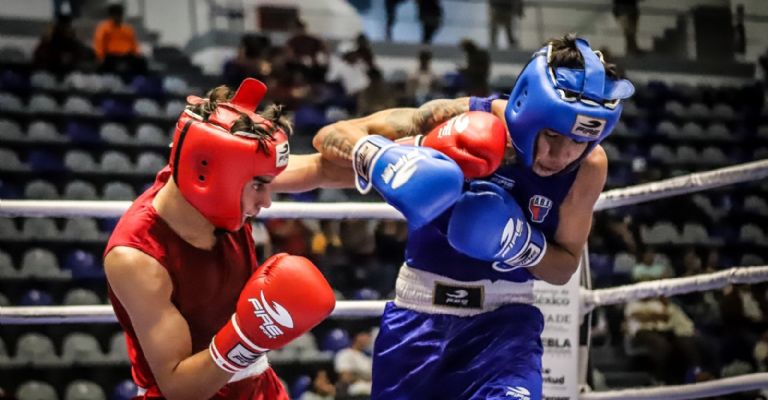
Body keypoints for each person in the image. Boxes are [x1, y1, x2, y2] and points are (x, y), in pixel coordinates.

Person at [313, 34, 634, 398]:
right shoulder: (463, 119)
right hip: (417, 318)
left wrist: (521, 245)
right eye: (553, 137)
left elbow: (563, 268)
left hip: (505, 327)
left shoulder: (589, 166)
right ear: (528, 109)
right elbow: (331, 137)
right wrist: (384, 156)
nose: (562, 155)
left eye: (580, 141)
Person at [104, 78, 354, 399]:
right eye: (259, 186)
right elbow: (179, 388)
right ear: (209, 177)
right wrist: (247, 337)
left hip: (258, 385)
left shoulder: (226, 182)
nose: (267, 201)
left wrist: (407, 152)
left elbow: (323, 169)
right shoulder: (138, 258)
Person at [92, 3, 146, 74]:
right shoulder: (104, 28)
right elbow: (99, 42)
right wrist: (100, 57)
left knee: (142, 62)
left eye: (120, 14)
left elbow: (134, 44)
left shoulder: (127, 29)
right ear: (111, 15)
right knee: (101, 68)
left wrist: (137, 54)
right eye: (116, 15)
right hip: (111, 56)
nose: (118, 17)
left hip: (127, 56)